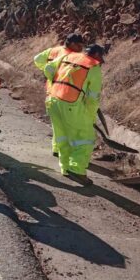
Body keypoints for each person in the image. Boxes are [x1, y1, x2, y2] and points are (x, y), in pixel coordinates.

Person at [44, 44, 104, 186]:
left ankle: (65, 168)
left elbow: (48, 69)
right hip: (70, 104)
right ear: (96, 55)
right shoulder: (93, 68)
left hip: (53, 100)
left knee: (62, 135)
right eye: (101, 58)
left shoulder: (68, 56)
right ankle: (76, 169)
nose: (101, 62)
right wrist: (90, 117)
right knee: (86, 137)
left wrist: (58, 83)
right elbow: (92, 98)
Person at [32, 33, 85, 156]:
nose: (81, 48)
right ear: (71, 44)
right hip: (65, 93)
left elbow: (37, 59)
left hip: (52, 92)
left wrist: (48, 71)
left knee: (57, 124)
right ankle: (63, 151)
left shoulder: (53, 50)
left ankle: (56, 149)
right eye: (79, 45)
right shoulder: (72, 56)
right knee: (66, 125)